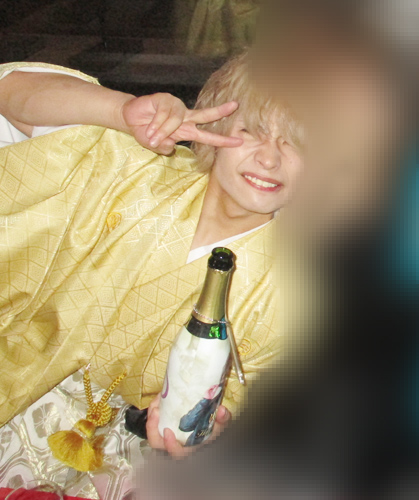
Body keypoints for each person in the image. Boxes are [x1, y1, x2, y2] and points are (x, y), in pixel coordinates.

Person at [0, 52, 303, 455]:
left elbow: (250, 411)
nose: (269, 158)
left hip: (118, 458)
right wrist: (119, 111)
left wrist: (209, 430)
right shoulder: (130, 170)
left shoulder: (296, 298)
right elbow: (9, 91)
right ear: (213, 124)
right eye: (252, 131)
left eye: (299, 143)